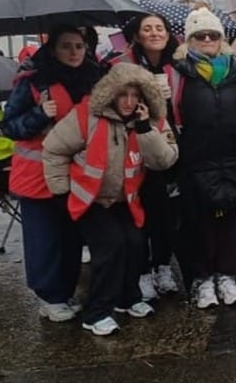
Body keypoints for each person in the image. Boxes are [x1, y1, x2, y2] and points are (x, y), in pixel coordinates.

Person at [42, 63, 179, 335]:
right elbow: (54, 149)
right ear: (111, 94)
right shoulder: (86, 116)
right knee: (111, 247)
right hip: (88, 200)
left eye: (135, 95)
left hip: (124, 200)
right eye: (122, 95)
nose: (129, 102)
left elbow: (165, 160)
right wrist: (60, 192)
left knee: (135, 244)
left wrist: (143, 129)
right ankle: (96, 312)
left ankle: (127, 299)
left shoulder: (150, 120)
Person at [2, 25, 102, 323]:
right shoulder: (32, 83)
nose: (73, 52)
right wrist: (38, 115)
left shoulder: (93, 79)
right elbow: (10, 126)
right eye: (66, 46)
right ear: (52, 49)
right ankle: (49, 295)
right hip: (37, 177)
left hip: (76, 175)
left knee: (70, 239)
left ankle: (65, 290)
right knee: (43, 240)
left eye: (79, 46)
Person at [174, 8, 236, 308]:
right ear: (189, 40)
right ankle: (203, 278)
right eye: (199, 36)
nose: (207, 40)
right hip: (197, 160)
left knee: (232, 221)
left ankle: (227, 275)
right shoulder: (177, 73)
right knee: (199, 221)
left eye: (213, 35)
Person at [105, 13, 184, 300]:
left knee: (168, 213)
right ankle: (143, 270)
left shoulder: (178, 63)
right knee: (141, 210)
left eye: (159, 28)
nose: (154, 33)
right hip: (135, 145)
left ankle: (163, 264)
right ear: (137, 36)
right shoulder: (123, 65)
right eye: (147, 29)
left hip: (170, 143)